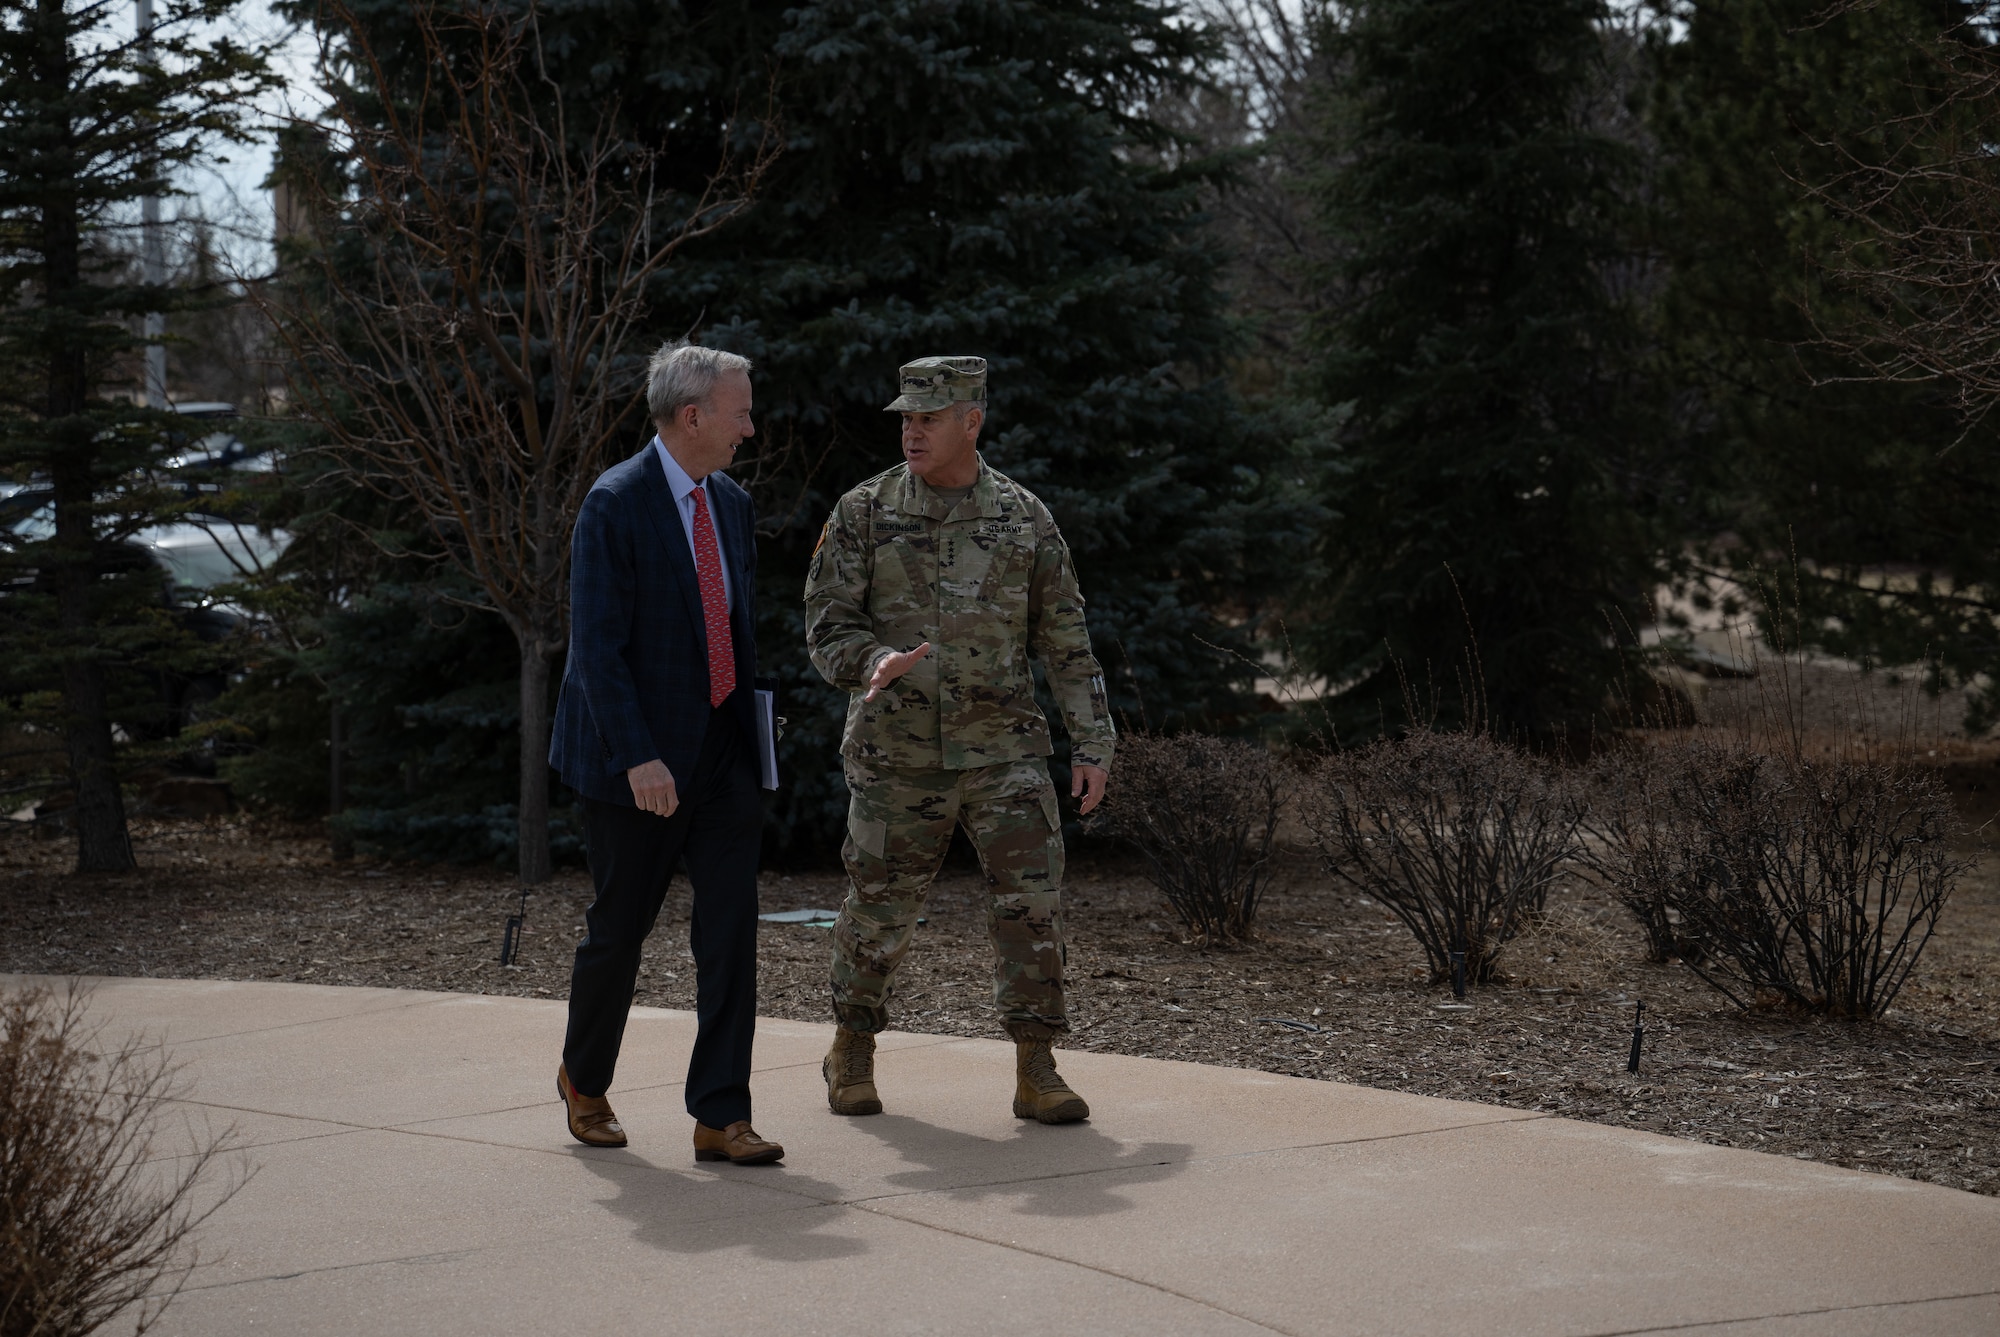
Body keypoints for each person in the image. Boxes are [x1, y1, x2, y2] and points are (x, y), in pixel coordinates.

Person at [803, 355, 1116, 1124]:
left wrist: (1092, 741)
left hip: (1004, 750)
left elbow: (1066, 637)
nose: (912, 429)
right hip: (896, 753)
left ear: (971, 420)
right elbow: (827, 626)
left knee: (1031, 906)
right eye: (906, 416)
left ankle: (1037, 1066)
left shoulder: (1023, 517)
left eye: (929, 417)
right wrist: (874, 659)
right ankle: (850, 1047)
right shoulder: (863, 512)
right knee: (880, 906)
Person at [548, 342, 783, 1165]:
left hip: (722, 758)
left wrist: (755, 736)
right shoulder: (615, 504)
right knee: (620, 930)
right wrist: (639, 756)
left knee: (731, 932)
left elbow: (734, 632)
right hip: (637, 764)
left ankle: (721, 1112)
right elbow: (597, 652)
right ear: (693, 416)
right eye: (740, 411)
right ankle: (585, 1080)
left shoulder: (734, 504)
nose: (749, 427)